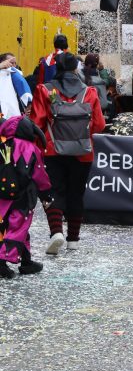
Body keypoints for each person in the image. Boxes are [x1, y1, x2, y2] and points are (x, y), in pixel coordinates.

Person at [28, 52, 105, 255]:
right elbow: (99, 125)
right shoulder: (89, 92)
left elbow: (36, 123)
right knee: (76, 193)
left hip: (52, 150)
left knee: (53, 191)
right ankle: (73, 240)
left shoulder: (44, 89)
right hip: (83, 152)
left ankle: (56, 233)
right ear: (75, 69)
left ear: (57, 68)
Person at [0, 116, 53, 278]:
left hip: (3, 196)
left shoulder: (3, 145)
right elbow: (40, 176)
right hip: (23, 198)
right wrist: (46, 195)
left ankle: (26, 261)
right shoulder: (31, 149)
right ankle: (2, 262)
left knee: (7, 227)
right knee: (17, 228)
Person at [0, 54, 33, 120]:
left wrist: (25, 110)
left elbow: (24, 93)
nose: (14, 65)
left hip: (11, 117)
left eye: (15, 63)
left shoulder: (16, 76)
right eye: (11, 63)